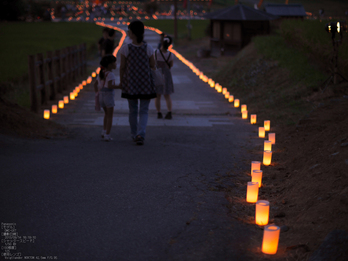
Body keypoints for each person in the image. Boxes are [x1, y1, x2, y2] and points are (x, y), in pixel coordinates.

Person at [119, 20, 156, 145]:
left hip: (131, 84)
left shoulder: (125, 49)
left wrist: (121, 81)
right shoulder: (149, 48)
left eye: (129, 30)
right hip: (146, 84)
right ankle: (141, 134)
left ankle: (134, 134)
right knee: (144, 110)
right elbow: (153, 65)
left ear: (133, 33)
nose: (128, 32)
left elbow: (122, 67)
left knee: (133, 110)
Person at [93, 55, 121, 141]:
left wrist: (97, 92)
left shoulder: (101, 73)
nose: (116, 64)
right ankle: (107, 135)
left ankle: (104, 131)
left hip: (101, 96)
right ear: (109, 65)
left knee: (106, 114)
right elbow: (110, 86)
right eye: (114, 63)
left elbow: (95, 84)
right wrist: (119, 86)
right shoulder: (111, 74)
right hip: (108, 96)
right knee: (110, 116)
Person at [155, 35, 174, 119]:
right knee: (167, 95)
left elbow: (153, 63)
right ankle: (169, 112)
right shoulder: (170, 54)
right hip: (166, 74)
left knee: (158, 95)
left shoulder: (156, 52)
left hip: (158, 73)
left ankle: (159, 113)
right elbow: (171, 65)